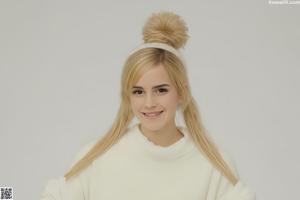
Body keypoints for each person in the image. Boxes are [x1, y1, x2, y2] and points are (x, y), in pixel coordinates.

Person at [40, 11, 256, 200]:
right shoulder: (96, 157)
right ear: (128, 96)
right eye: (138, 92)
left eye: (161, 90)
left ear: (181, 92)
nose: (149, 103)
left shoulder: (214, 165)